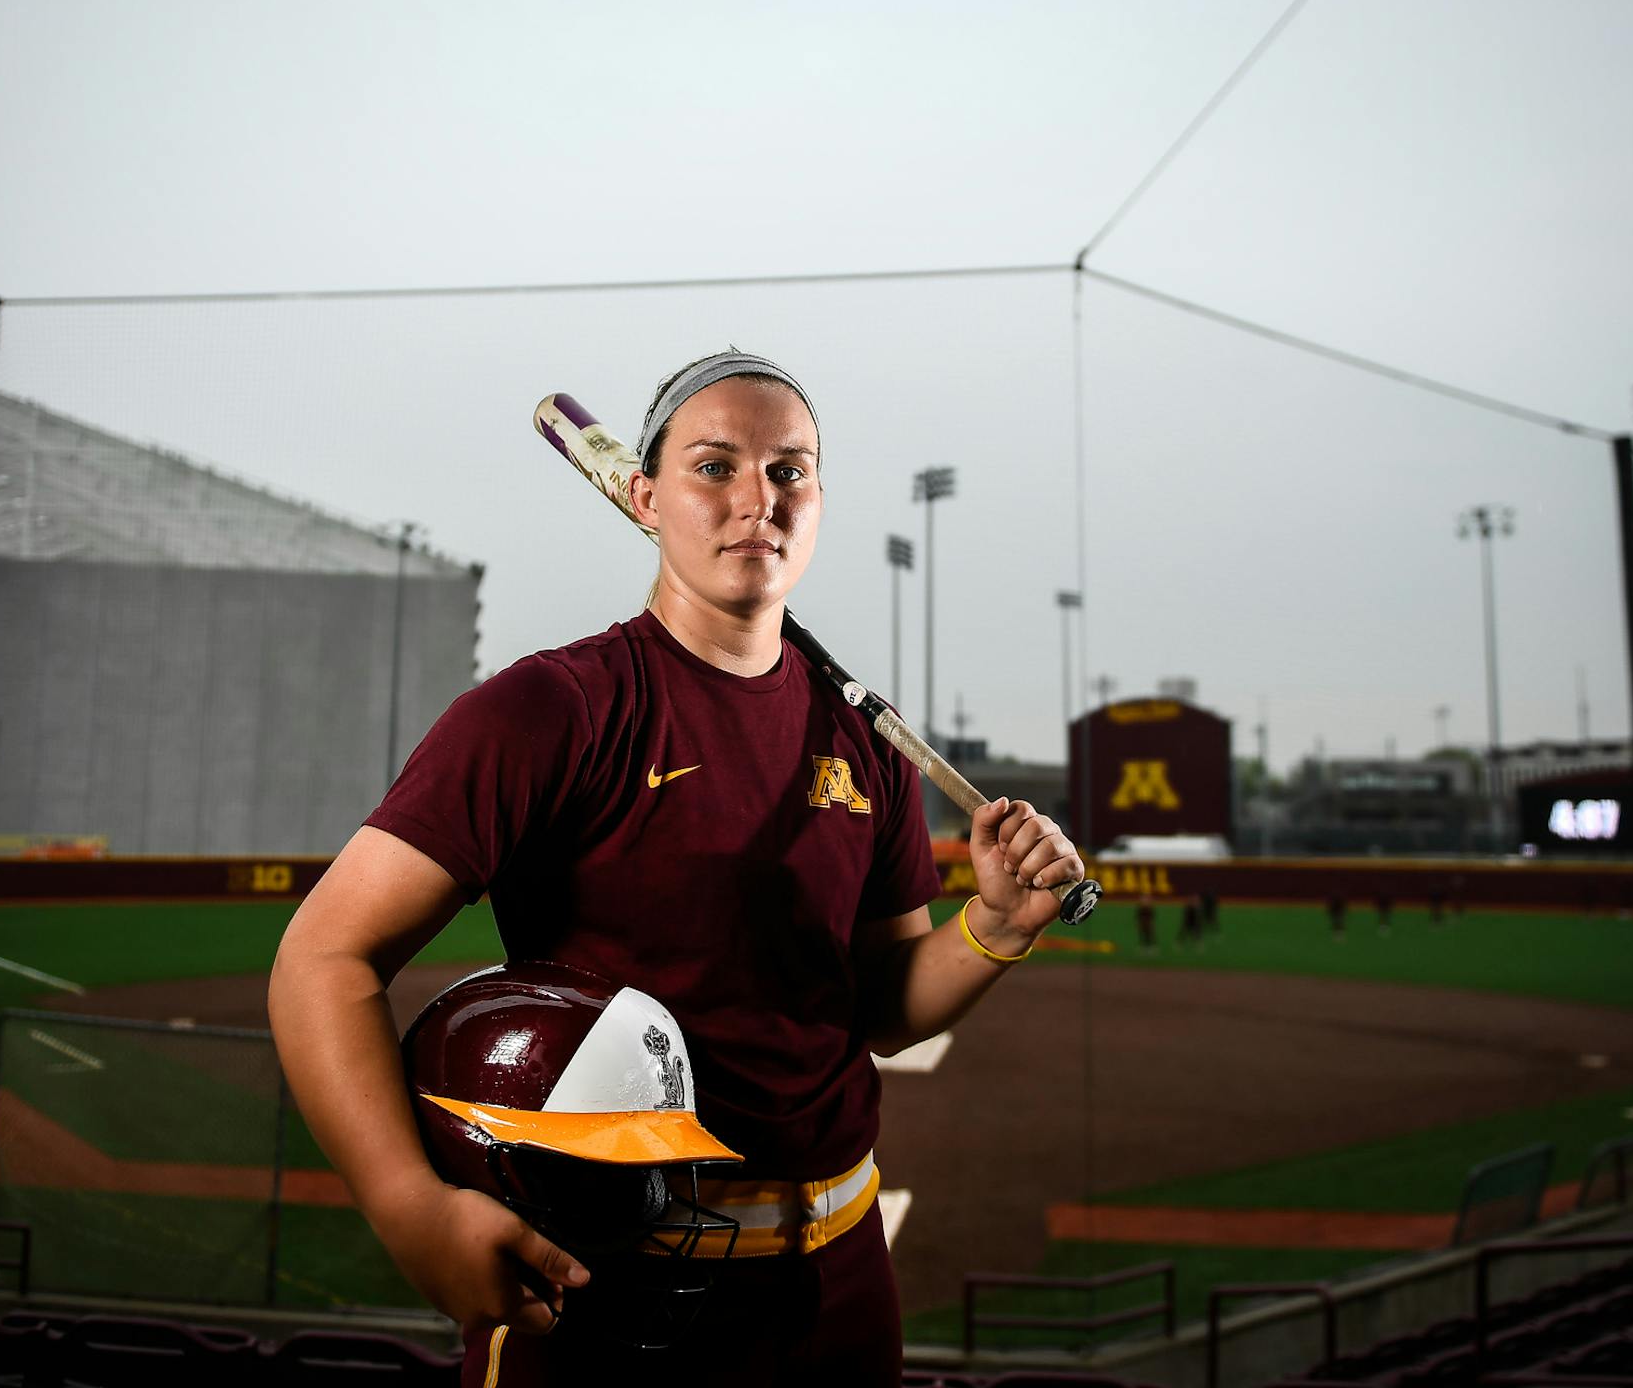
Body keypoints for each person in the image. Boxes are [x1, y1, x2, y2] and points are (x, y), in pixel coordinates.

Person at [269, 350, 1084, 1387]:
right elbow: (322, 959)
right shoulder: (548, 713)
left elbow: (878, 1009)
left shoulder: (866, 742)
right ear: (644, 498)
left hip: (840, 1280)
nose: (759, 499)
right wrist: (407, 1205)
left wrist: (995, 930)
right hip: (612, 1288)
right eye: (715, 467)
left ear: (819, 501)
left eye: (790, 471)